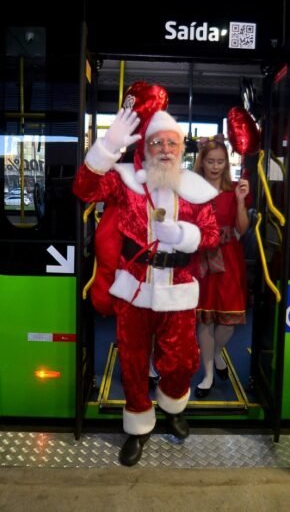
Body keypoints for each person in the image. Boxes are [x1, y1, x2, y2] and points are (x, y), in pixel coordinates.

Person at [73, 107, 219, 466]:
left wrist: (186, 235)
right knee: (135, 363)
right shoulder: (124, 181)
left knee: (182, 361)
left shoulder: (195, 190)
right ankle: (138, 427)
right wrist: (107, 146)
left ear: (182, 148)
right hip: (134, 288)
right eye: (157, 142)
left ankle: (172, 406)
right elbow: (84, 189)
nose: (165, 149)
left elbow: (213, 235)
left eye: (172, 142)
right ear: (146, 148)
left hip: (179, 290)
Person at [192, 136, 251, 398]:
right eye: (210, 161)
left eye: (220, 162)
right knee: (204, 319)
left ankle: (216, 353)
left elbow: (242, 229)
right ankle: (206, 373)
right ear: (201, 162)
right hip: (201, 257)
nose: (215, 166)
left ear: (226, 163)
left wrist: (240, 201)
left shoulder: (236, 188)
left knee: (228, 321)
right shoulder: (191, 189)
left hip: (229, 260)